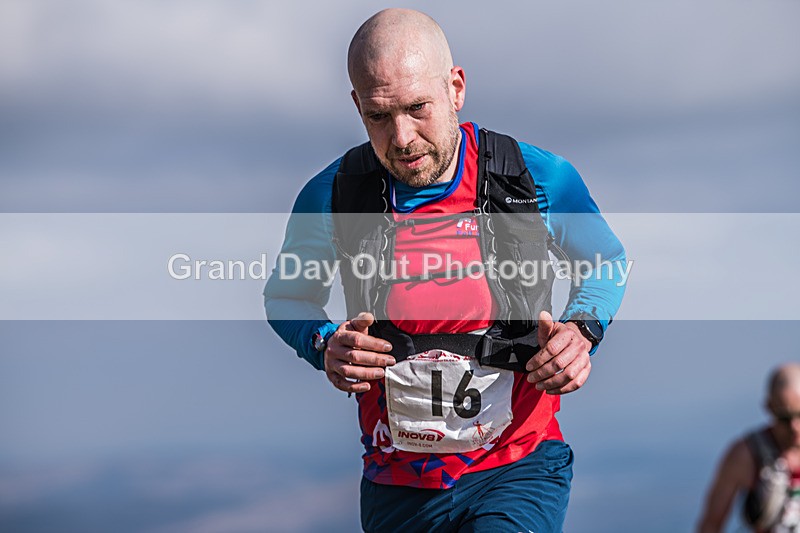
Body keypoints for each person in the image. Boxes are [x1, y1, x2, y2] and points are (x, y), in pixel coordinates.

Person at [264, 8, 627, 532]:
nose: (403, 136)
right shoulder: (332, 195)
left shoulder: (537, 177)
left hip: (518, 466)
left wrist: (582, 331)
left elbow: (606, 262)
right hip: (397, 484)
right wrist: (324, 344)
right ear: (357, 105)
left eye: (417, 108)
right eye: (378, 116)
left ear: (455, 87)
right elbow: (287, 298)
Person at [698, 363, 800, 532]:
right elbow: (711, 524)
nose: (795, 426)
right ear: (769, 407)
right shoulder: (746, 455)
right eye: (785, 417)